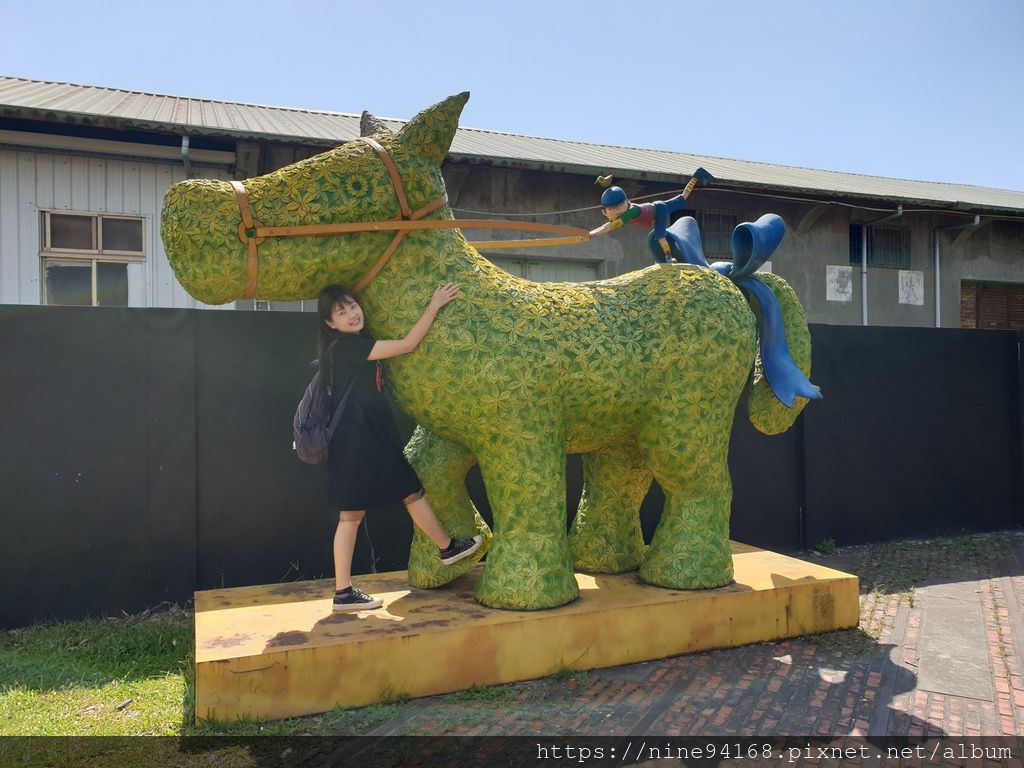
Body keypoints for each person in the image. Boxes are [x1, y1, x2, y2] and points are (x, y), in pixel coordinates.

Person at [317, 282, 483, 612]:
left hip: (365, 442)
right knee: (358, 514)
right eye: (341, 312)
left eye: (352, 306)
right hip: (360, 444)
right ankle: (346, 592)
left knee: (404, 493)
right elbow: (408, 344)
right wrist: (434, 304)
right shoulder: (347, 349)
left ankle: (446, 548)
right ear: (330, 324)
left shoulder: (353, 345)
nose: (352, 314)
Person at [589, 184, 690, 263]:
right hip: (657, 206)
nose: (618, 210)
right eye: (612, 209)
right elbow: (607, 226)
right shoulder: (623, 214)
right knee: (682, 198)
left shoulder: (632, 211)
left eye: (621, 205)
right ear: (604, 212)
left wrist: (591, 234)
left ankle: (669, 257)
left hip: (660, 210)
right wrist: (590, 234)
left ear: (627, 202)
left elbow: (609, 227)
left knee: (660, 235)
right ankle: (696, 177)